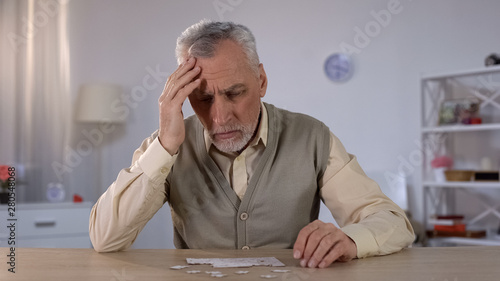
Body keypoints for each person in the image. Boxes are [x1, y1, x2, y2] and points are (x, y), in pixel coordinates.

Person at [89, 20, 414, 268]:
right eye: (202, 99)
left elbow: (392, 222)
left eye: (234, 93)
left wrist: (349, 239)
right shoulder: (167, 146)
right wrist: (165, 146)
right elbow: (105, 238)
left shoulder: (312, 136)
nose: (219, 117)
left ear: (261, 81)